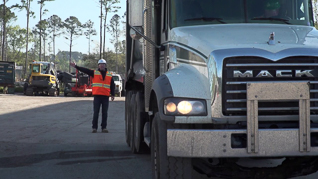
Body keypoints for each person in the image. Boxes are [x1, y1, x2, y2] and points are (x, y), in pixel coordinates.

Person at [70, 59, 115, 133]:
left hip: (105, 96)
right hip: (97, 96)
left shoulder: (109, 75)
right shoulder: (94, 73)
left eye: (103, 64)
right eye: (100, 64)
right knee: (96, 112)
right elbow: (85, 70)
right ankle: (94, 128)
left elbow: (112, 85)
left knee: (105, 113)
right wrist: (76, 66)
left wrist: (113, 94)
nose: (102, 66)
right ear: (98, 66)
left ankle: (104, 128)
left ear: (105, 65)